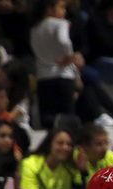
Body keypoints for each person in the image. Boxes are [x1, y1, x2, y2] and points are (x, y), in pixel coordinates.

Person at [30, 0, 81, 130]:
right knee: (67, 120)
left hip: (43, 77)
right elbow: (64, 41)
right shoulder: (60, 23)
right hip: (63, 76)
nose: (65, 11)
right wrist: (69, 57)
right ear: (49, 9)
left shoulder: (34, 28)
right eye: (62, 7)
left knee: (47, 121)